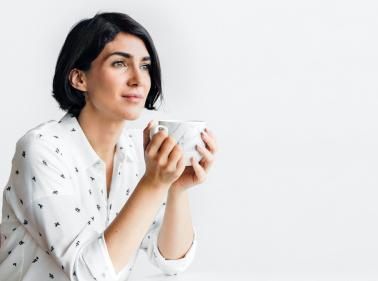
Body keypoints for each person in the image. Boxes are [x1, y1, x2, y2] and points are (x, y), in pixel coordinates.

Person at [0, 12, 217, 281]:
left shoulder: (139, 152)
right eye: (119, 64)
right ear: (79, 79)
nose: (139, 79)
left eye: (146, 66)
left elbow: (172, 262)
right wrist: (153, 183)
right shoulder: (42, 149)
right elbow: (88, 273)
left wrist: (175, 188)